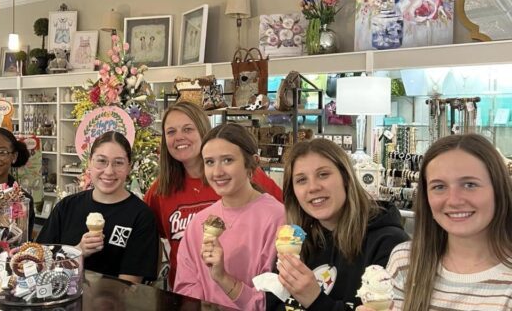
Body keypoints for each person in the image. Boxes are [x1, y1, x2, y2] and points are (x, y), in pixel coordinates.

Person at [144, 101, 283, 288]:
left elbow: (285, 215)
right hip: (189, 293)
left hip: (248, 294)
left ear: (203, 131)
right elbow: (147, 235)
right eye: (171, 132)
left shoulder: (244, 176)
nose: (179, 137)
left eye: (187, 129)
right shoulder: (161, 190)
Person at [268, 138, 409, 310]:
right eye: (301, 180)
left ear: (346, 178)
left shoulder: (389, 243)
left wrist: (315, 298)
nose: (312, 187)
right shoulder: (297, 241)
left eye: (323, 174)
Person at [382, 134, 512, 310]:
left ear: (498, 189)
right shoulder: (405, 261)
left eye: (470, 185)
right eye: (439, 187)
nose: (454, 201)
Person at [174, 123, 285, 309]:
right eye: (210, 162)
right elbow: (185, 287)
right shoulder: (199, 222)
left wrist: (223, 278)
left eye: (227, 160)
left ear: (252, 163)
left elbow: (274, 301)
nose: (217, 172)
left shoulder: (277, 218)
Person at [36, 131, 159, 283]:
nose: (109, 171)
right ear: (89, 163)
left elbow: (129, 286)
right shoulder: (67, 207)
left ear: (129, 167)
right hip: (61, 297)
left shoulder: (141, 216)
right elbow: (40, 259)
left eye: (118, 162)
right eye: (101, 161)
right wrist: (77, 251)